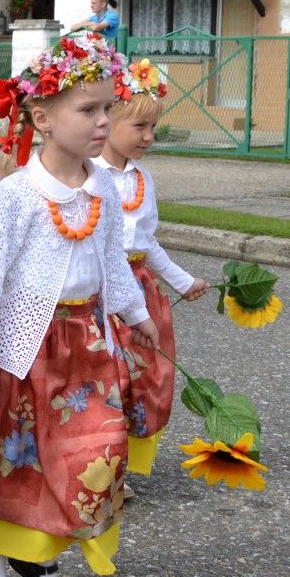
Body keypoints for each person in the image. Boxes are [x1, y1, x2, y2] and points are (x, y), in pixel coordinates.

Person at [0, 34, 160, 577]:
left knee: (90, 453)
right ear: (42, 117)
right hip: (21, 347)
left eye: (107, 108)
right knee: (10, 458)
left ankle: (40, 555)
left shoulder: (104, 190)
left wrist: (136, 316)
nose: (102, 121)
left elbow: (113, 260)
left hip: (86, 344)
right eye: (88, 109)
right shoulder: (16, 196)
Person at [93, 58, 210, 479]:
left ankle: (126, 465)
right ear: (108, 122)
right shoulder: (89, 177)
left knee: (148, 377)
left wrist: (182, 279)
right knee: (108, 380)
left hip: (141, 289)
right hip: (104, 291)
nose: (148, 137)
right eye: (138, 127)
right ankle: (98, 464)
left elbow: (147, 242)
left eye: (152, 128)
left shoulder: (143, 179)